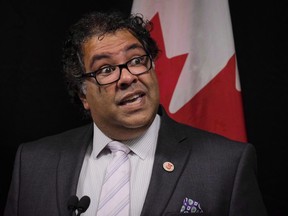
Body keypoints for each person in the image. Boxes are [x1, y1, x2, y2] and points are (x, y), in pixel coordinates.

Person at [4, 10, 267, 216]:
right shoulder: (33, 163)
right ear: (83, 95)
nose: (128, 77)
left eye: (136, 60)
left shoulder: (226, 165)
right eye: (106, 70)